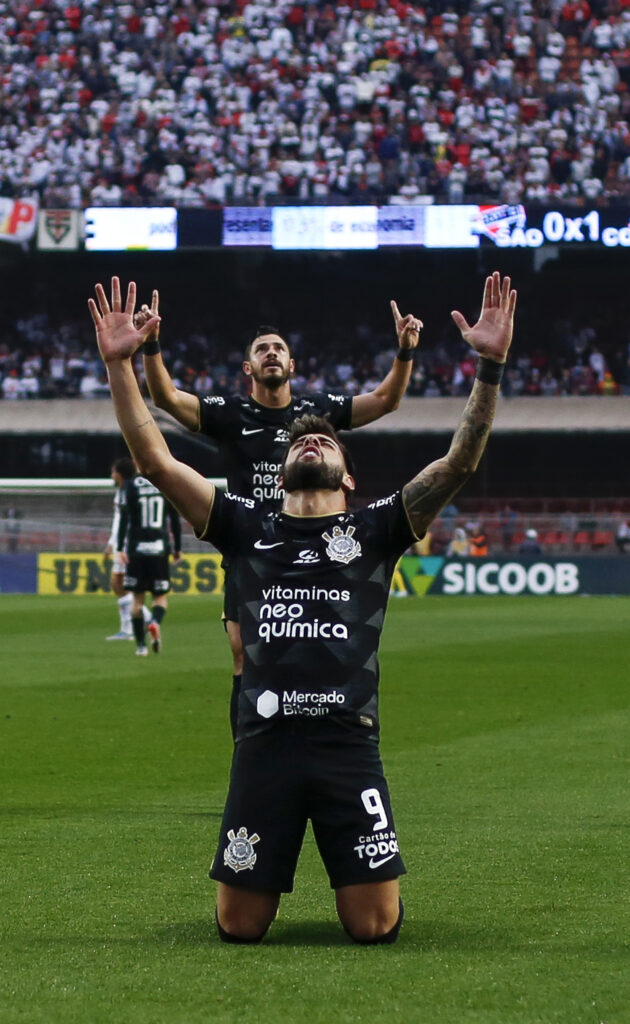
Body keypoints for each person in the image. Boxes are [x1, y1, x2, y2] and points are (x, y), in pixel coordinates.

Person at [89, 271, 515, 944]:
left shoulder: (378, 529)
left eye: (324, 441)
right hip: (265, 750)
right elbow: (154, 459)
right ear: (280, 471)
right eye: (297, 443)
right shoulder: (242, 524)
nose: (309, 441)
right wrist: (122, 367)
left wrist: (488, 366)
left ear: (348, 474)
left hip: (349, 746)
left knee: (373, 927)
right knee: (240, 925)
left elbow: (459, 462)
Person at [140, 293, 421, 733]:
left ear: (292, 367)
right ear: (248, 369)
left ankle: (322, 739)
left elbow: (386, 400)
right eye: (261, 349)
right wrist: (151, 345)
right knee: (243, 652)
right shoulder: (231, 414)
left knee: (326, 647)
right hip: (252, 545)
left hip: (317, 542)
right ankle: (250, 753)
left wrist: (404, 350)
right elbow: (166, 398)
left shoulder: (316, 411)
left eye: (279, 349)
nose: (271, 353)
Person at [115, 458, 183, 656]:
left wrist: (120, 547)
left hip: (137, 548)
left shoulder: (129, 486)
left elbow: (124, 519)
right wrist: (177, 547)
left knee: (137, 600)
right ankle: (154, 622)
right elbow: (174, 519)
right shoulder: (163, 482)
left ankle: (141, 647)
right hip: (159, 548)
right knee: (160, 598)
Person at [103, 457, 152, 642]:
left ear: (120, 474)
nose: (111, 475)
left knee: (119, 583)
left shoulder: (127, 491)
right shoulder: (125, 491)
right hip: (124, 542)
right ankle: (136, 623)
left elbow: (122, 522)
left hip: (126, 543)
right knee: (120, 584)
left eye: (113, 472)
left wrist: (115, 544)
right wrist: (110, 543)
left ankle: (139, 622)